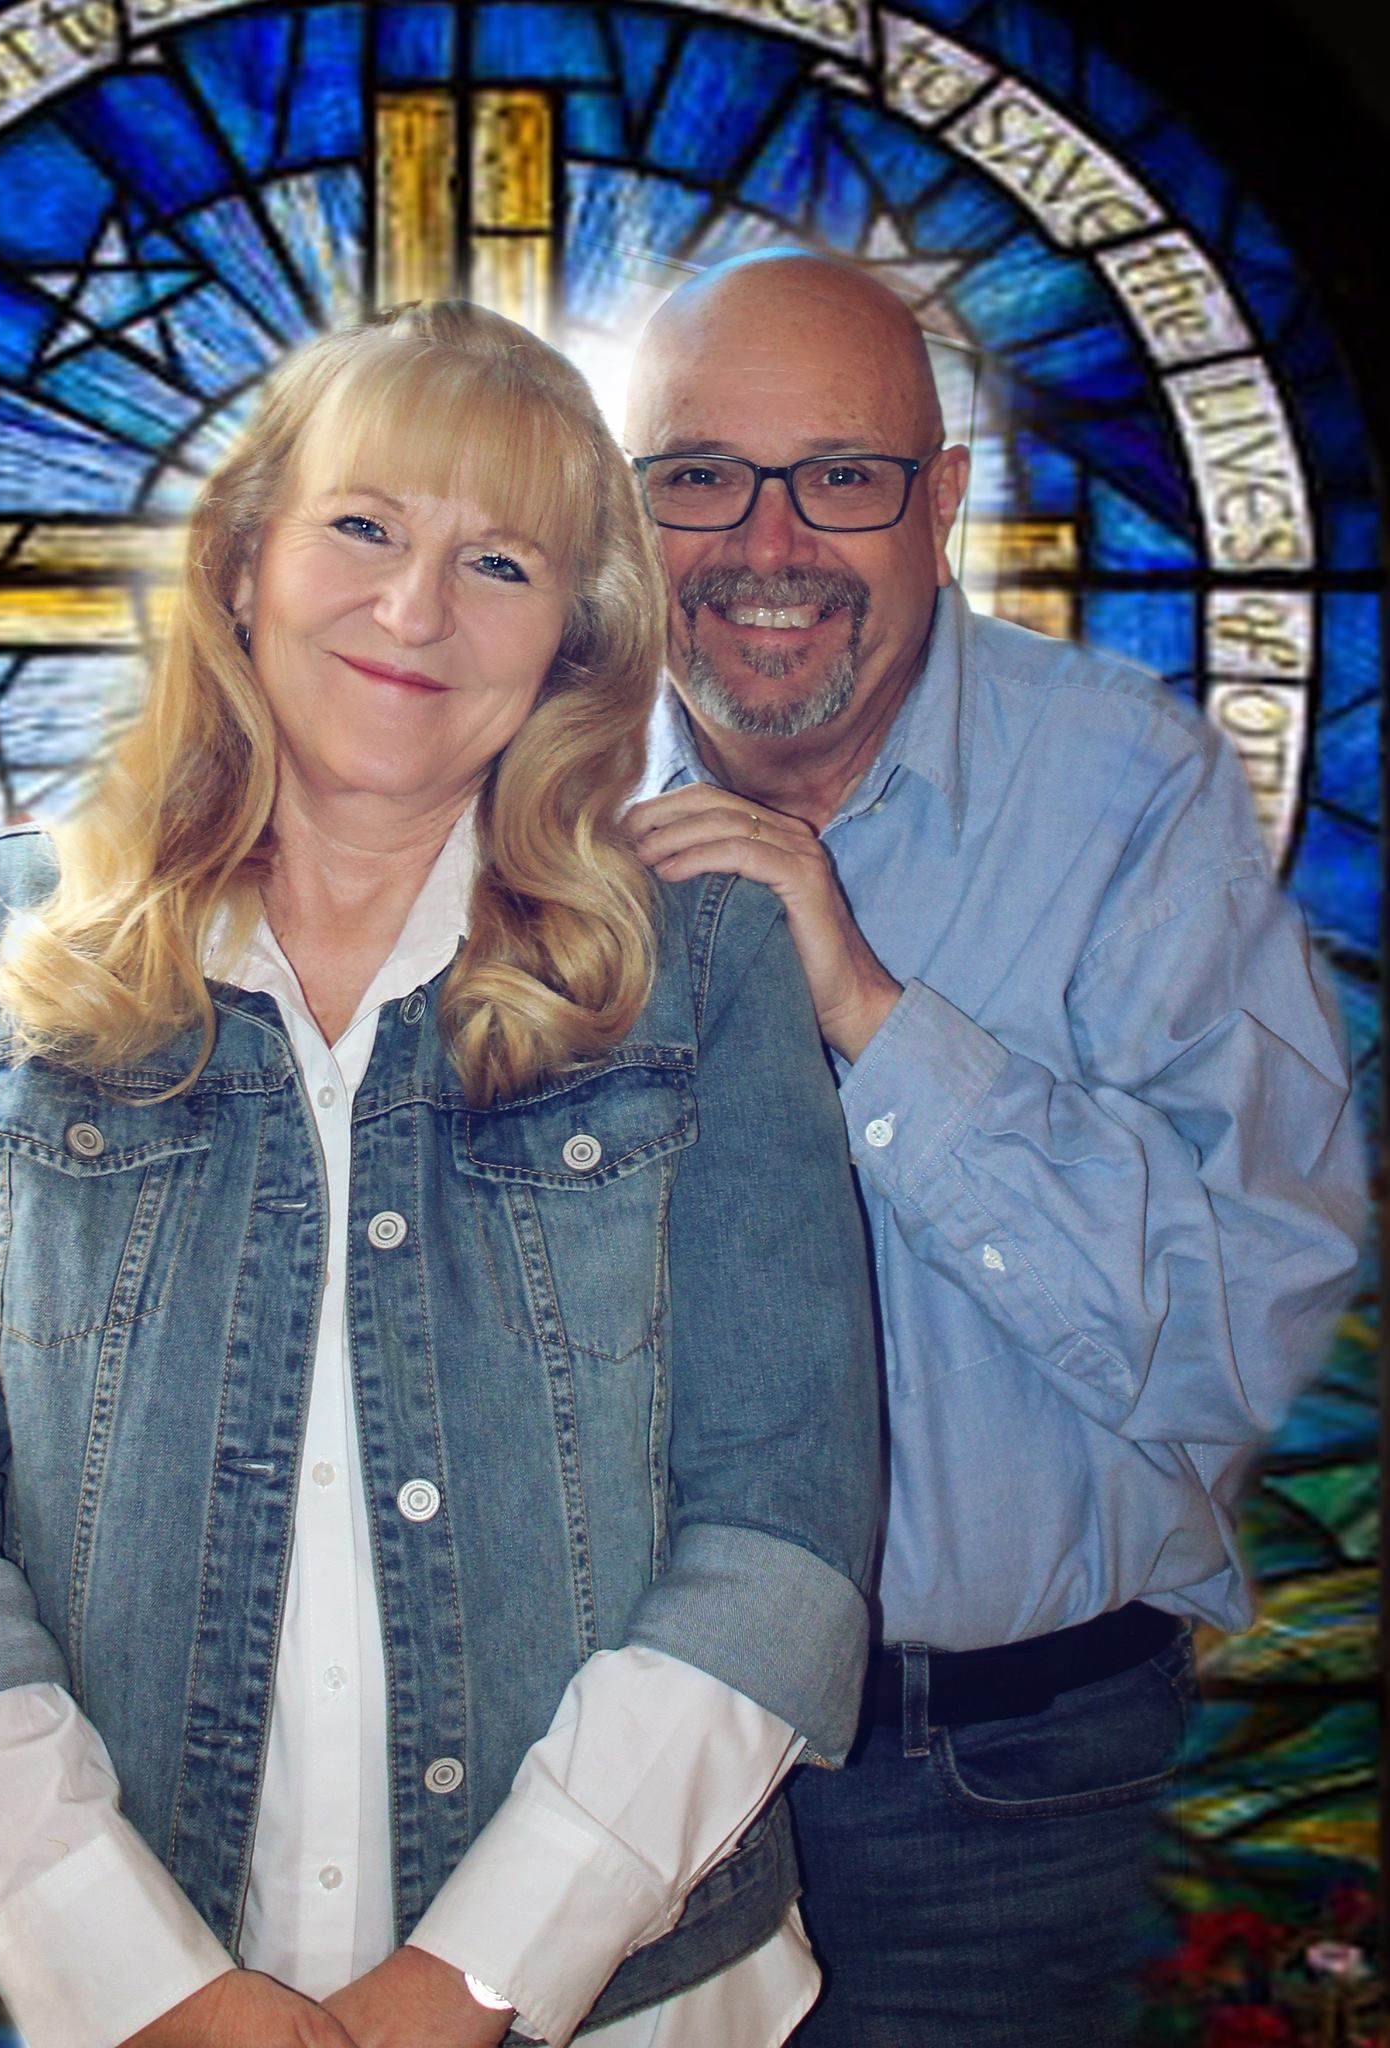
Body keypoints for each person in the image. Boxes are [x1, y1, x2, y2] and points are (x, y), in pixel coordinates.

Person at [0, 300, 880, 2048]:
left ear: (575, 646)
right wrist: (130, 1973)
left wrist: (477, 1978)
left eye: (502, 563)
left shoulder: (701, 972)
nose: (414, 611)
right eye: (362, 528)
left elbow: (779, 1519)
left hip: (618, 2003)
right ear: (243, 564)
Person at [616, 251, 1366, 2044]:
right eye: (699, 475)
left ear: (941, 501)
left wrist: (872, 1015)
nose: (765, 543)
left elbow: (1231, 1336)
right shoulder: (517, 789)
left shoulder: (1128, 794)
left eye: (843, 478)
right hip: (592, 1773)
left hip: (998, 1777)